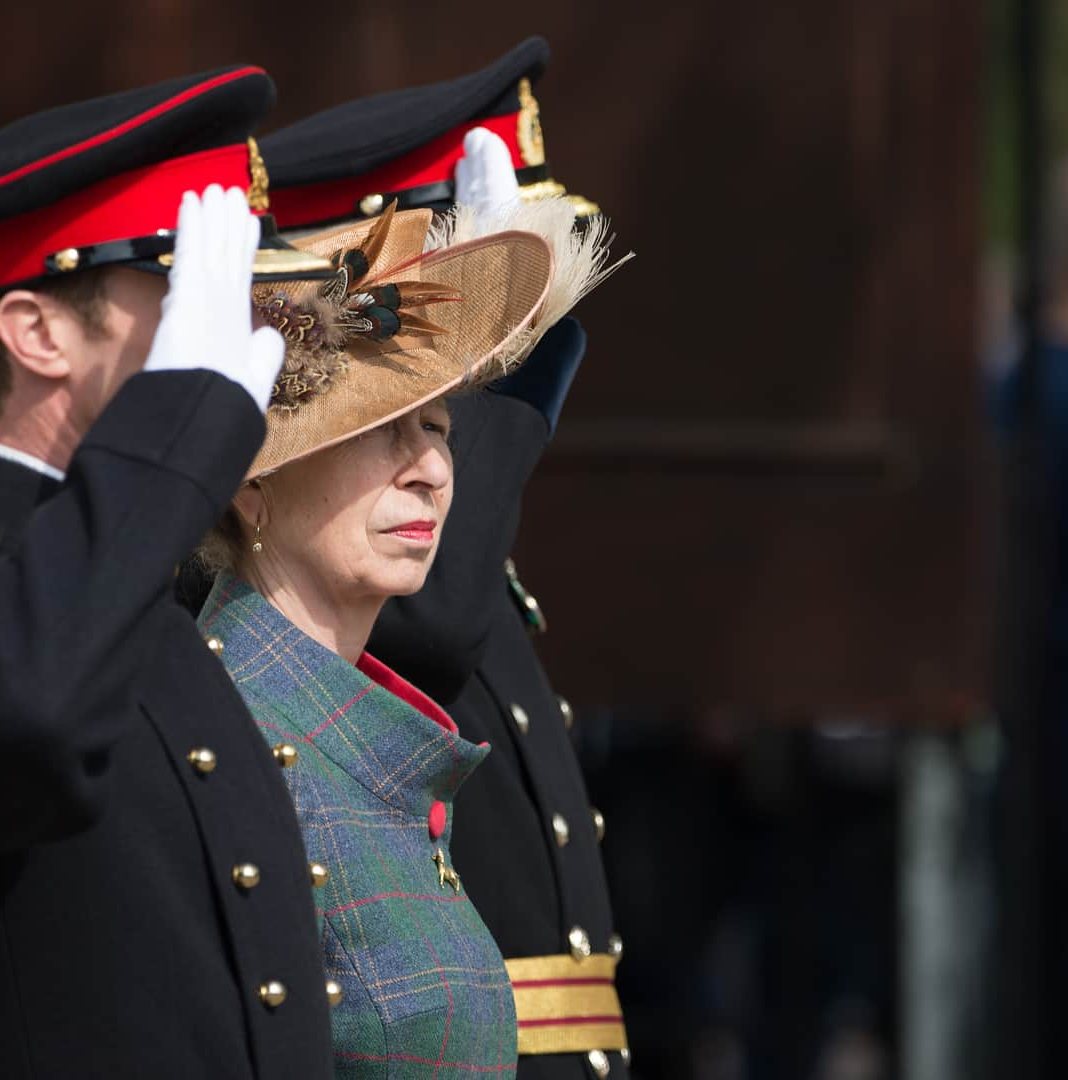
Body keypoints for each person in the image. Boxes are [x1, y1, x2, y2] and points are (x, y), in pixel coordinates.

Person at [267, 38, 633, 1079]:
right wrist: (504, 381)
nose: (431, 463)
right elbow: (431, 625)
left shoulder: (450, 503)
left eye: (440, 425)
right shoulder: (358, 529)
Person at [0, 67, 338, 1078]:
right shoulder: (96, 548)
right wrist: (175, 428)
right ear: (38, 331)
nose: (232, 332)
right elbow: (25, 722)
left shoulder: (133, 551)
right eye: (186, 291)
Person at [192, 201, 565, 1072]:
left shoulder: (358, 737)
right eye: (379, 429)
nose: (432, 470)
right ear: (253, 482)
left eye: (437, 428)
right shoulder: (225, 739)